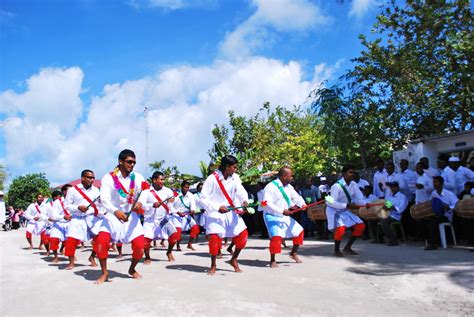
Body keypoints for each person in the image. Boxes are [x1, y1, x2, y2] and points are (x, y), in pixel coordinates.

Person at [94, 149, 147, 284]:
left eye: (134, 162)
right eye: (129, 162)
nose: (132, 165)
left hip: (132, 217)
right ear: (120, 161)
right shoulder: (108, 178)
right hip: (112, 216)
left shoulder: (138, 177)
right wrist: (115, 211)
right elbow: (104, 199)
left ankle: (132, 269)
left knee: (140, 246)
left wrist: (140, 202)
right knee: (101, 243)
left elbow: (145, 192)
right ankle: (104, 272)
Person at [199, 155, 249, 275]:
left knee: (243, 236)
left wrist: (245, 201)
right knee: (215, 240)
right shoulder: (212, 179)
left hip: (231, 212)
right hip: (215, 214)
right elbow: (202, 199)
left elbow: (241, 192)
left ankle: (234, 259)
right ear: (227, 167)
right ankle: (213, 265)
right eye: (234, 167)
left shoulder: (235, 178)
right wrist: (217, 207)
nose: (236, 170)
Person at [262, 167, 306, 268]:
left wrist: (302, 204)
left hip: (284, 215)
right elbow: (266, 203)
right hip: (272, 216)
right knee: (276, 238)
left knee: (299, 232)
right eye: (291, 175)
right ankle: (272, 260)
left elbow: (296, 197)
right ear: (284, 176)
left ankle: (293, 253)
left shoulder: (289, 187)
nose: (292, 177)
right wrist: (282, 211)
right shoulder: (270, 187)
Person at [326, 164, 367, 257]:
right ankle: (336, 250)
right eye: (350, 172)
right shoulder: (336, 186)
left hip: (344, 209)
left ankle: (347, 247)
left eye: (353, 172)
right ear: (344, 173)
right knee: (341, 228)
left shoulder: (353, 184)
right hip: (334, 210)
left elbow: (359, 198)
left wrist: (365, 204)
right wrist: (347, 205)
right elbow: (331, 202)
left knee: (361, 225)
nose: (352, 174)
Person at [63, 170, 101, 269]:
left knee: (100, 238)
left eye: (93, 178)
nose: (92, 180)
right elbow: (66, 205)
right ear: (83, 178)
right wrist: (78, 207)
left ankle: (92, 257)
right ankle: (71, 262)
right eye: (89, 177)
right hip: (77, 219)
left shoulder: (96, 190)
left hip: (92, 218)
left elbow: (99, 205)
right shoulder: (72, 190)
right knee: (71, 241)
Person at [139, 171, 180, 263]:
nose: (163, 181)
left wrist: (174, 204)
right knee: (146, 241)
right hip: (149, 219)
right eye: (161, 179)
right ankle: (147, 257)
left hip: (163, 218)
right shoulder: (146, 191)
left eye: (163, 179)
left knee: (174, 236)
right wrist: (152, 205)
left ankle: (169, 252)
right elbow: (141, 205)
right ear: (154, 180)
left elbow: (170, 206)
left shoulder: (168, 191)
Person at [423, 176, 458, 250]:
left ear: (441, 183)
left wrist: (448, 207)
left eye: (436, 182)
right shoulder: (433, 193)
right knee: (425, 220)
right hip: (436, 215)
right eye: (433, 182)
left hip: (446, 216)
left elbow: (457, 205)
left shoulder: (449, 194)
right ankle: (430, 241)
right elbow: (430, 204)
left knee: (433, 222)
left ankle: (434, 244)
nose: (434, 184)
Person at [377, 182, 408, 246]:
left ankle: (393, 240)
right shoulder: (390, 197)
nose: (392, 189)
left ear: (398, 188)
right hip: (389, 214)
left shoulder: (402, 197)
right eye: (391, 187)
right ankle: (381, 238)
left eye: (394, 187)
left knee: (384, 222)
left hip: (396, 216)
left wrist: (392, 207)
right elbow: (388, 206)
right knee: (377, 218)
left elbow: (401, 209)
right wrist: (385, 207)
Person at [173, 180, 200, 250]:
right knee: (178, 230)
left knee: (196, 228)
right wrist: (177, 212)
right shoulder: (176, 195)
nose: (187, 189)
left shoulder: (190, 195)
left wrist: (193, 210)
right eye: (185, 187)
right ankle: (178, 245)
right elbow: (171, 206)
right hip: (177, 215)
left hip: (186, 214)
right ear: (181, 187)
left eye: (188, 188)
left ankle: (189, 244)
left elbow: (193, 205)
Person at [48, 188, 71, 263]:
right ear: (64, 192)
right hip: (58, 223)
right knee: (53, 239)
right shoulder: (58, 202)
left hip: (70, 223)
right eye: (67, 190)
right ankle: (55, 257)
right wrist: (62, 217)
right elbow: (53, 215)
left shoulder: (75, 200)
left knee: (71, 241)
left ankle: (71, 257)